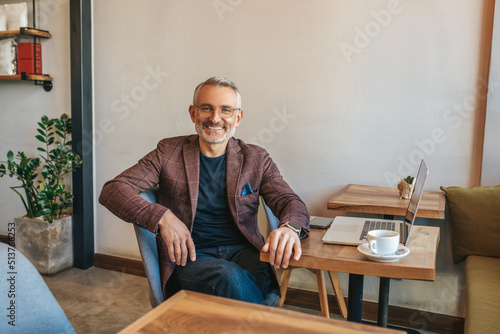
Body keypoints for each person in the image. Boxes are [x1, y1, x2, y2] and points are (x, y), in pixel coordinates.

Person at [99, 77, 309, 306]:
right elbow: (113, 190)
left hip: (245, 253)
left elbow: (289, 201)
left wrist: (290, 228)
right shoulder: (168, 152)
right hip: (190, 257)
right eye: (206, 108)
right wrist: (162, 217)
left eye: (225, 110)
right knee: (230, 279)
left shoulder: (256, 159)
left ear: (237, 117)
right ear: (193, 113)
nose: (215, 118)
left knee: (251, 284)